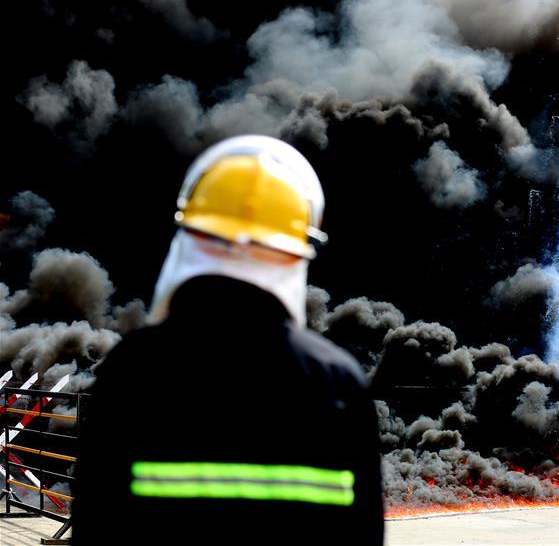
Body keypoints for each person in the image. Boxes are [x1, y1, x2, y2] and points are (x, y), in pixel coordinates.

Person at [72, 135, 384, 544]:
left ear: (191, 237)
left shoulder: (132, 370)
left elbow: (96, 527)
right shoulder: (339, 382)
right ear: (295, 253)